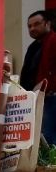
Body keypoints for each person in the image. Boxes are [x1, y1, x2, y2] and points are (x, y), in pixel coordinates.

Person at [21, 10, 56, 146]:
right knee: (41, 139)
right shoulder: (33, 47)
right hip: (36, 99)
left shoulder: (53, 40)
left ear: (47, 23)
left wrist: (49, 87)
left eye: (36, 24)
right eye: (29, 26)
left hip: (51, 97)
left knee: (49, 137)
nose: (32, 28)